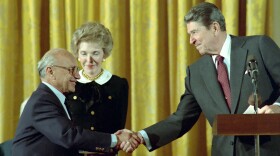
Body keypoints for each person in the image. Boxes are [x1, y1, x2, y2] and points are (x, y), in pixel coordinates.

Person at [120, 2, 280, 156]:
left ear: (215, 28)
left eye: (194, 32)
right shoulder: (195, 73)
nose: (191, 40)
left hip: (267, 150)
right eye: (189, 34)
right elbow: (181, 119)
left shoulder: (258, 46)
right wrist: (140, 136)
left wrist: (277, 106)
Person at [12, 48, 138, 156]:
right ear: (50, 72)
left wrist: (114, 143)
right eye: (72, 70)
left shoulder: (56, 99)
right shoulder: (42, 101)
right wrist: (115, 139)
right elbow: (69, 136)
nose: (78, 76)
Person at [65, 22, 129, 155]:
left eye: (95, 53)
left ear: (104, 54)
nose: (89, 60)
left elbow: (118, 127)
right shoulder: (68, 83)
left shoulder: (119, 85)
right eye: (83, 53)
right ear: (77, 55)